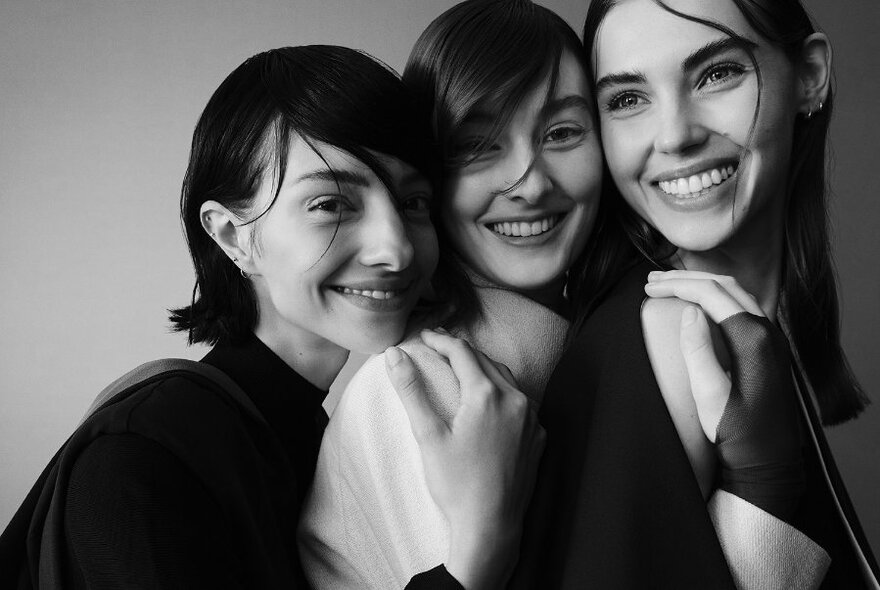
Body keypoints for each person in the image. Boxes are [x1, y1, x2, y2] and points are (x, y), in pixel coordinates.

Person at [298, 2, 830, 588]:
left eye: (562, 133)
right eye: (477, 146)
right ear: (427, 176)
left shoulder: (597, 334)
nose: (530, 182)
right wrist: (767, 484)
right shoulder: (421, 386)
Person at [0, 45, 544, 589]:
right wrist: (479, 547)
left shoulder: (311, 436)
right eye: (330, 204)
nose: (396, 250)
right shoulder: (143, 455)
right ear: (233, 236)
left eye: (413, 202)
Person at [523, 0, 880, 588]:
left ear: (810, 76)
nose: (676, 136)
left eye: (717, 74)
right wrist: (766, 488)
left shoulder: (741, 332)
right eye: (627, 99)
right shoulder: (670, 337)